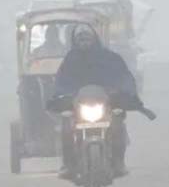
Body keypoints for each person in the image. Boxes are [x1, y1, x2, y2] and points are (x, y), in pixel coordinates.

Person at [53, 24, 139, 179]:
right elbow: (60, 82)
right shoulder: (70, 60)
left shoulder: (110, 58)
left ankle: (118, 162)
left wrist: (124, 92)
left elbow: (125, 77)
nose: (84, 42)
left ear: (94, 39)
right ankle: (69, 164)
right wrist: (62, 96)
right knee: (66, 125)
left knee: (117, 121)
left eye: (87, 38)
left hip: (107, 103)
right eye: (80, 39)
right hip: (78, 105)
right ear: (75, 41)